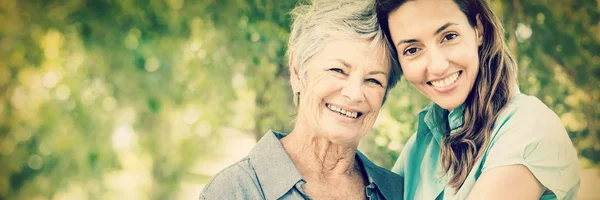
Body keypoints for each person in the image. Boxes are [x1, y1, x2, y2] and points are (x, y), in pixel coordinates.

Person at [376, 0, 580, 199]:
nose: (437, 66)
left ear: (479, 30)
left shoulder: (530, 126)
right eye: (412, 50)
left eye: (449, 36)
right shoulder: (420, 146)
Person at [199, 0, 404, 199]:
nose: (354, 93)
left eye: (373, 80)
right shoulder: (233, 190)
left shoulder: (399, 192)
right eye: (338, 70)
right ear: (297, 72)